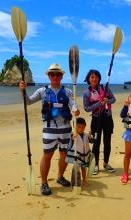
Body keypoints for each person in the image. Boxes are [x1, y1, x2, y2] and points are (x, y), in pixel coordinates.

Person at [19, 63, 80, 195]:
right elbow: (28, 102)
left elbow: (74, 107)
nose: (55, 76)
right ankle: (44, 183)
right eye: (52, 74)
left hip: (65, 128)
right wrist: (23, 91)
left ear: (62, 76)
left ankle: (60, 177)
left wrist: (76, 110)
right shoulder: (42, 91)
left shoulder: (68, 92)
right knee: (47, 155)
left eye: (58, 74)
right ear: (49, 76)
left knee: (64, 155)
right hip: (49, 128)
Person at [83, 69, 116, 175]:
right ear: (88, 79)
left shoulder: (105, 88)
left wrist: (107, 100)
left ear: (99, 78)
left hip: (107, 118)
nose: (94, 79)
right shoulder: (87, 93)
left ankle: (106, 163)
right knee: (96, 143)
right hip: (96, 119)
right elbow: (87, 108)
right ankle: (95, 164)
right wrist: (98, 104)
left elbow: (113, 99)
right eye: (92, 77)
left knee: (107, 142)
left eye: (96, 77)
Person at [66, 117, 93, 186]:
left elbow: (91, 142)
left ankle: (84, 180)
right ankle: (75, 182)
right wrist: (72, 139)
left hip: (84, 156)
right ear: (75, 127)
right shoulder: (73, 135)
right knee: (76, 169)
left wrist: (90, 137)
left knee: (84, 168)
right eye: (79, 127)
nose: (81, 129)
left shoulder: (86, 135)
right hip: (77, 156)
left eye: (83, 127)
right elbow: (69, 146)